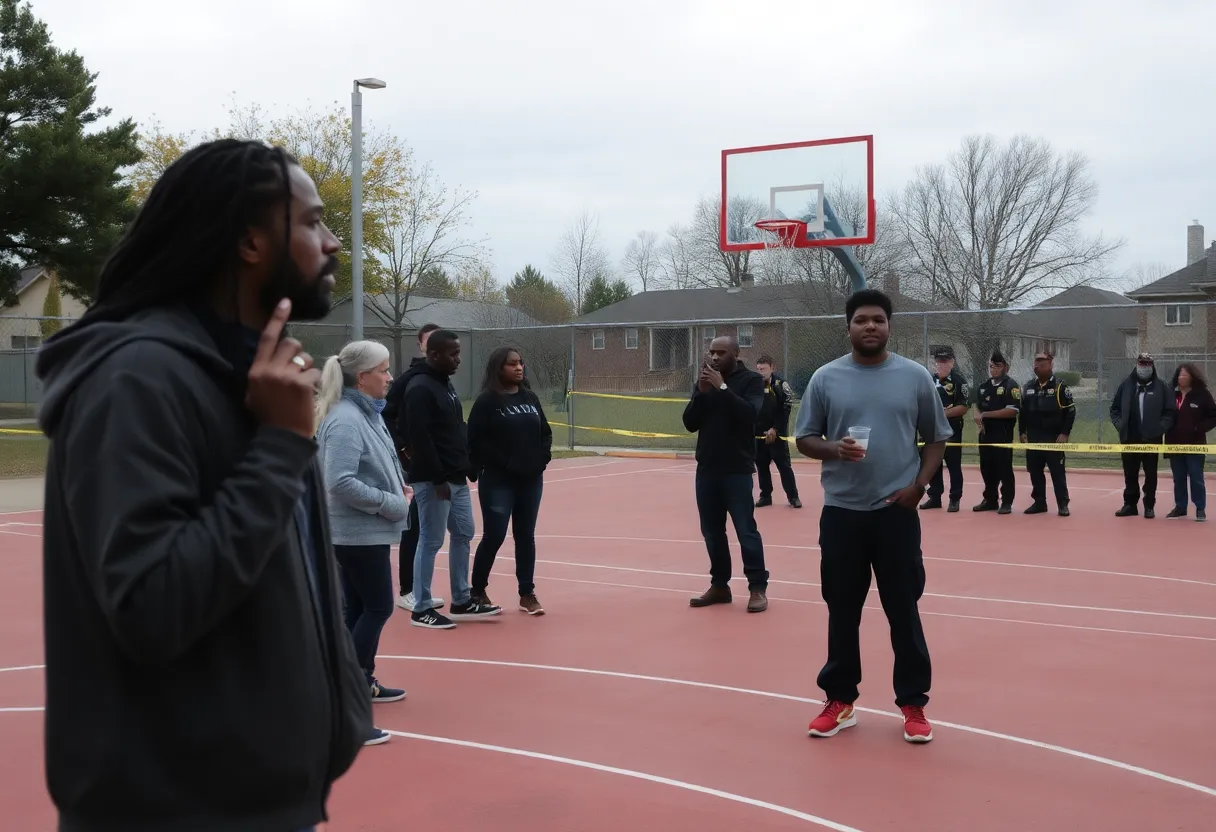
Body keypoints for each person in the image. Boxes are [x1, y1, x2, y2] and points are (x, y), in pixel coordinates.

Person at [33, 139, 371, 831]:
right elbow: (153, 604)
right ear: (251, 242)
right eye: (310, 222)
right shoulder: (137, 379)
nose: (333, 242)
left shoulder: (261, 379)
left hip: (261, 804)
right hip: (173, 811)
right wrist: (279, 446)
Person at [794, 289, 951, 745]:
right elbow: (804, 439)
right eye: (861, 319)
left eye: (878, 320)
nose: (870, 326)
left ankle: (913, 704)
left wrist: (918, 487)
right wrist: (833, 448)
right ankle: (840, 701)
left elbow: (937, 437)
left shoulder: (915, 377)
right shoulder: (825, 379)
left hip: (895, 514)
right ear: (848, 327)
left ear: (889, 326)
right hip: (842, 513)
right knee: (842, 609)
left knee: (903, 608)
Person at [315, 339, 412, 744]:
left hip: (362, 531)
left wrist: (395, 487)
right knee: (377, 606)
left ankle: (361, 682)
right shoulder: (346, 420)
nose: (391, 377)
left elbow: (374, 465)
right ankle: (346, 700)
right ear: (362, 377)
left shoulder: (365, 413)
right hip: (354, 534)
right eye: (384, 370)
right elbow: (338, 482)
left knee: (358, 607)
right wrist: (391, 502)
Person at [403, 328, 502, 628]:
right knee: (431, 541)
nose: (458, 359)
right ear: (433, 355)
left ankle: (461, 600)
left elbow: (454, 431)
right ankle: (421, 608)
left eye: (459, 353)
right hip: (435, 480)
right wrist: (437, 478)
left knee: (464, 533)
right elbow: (419, 438)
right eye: (453, 354)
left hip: (456, 477)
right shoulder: (420, 388)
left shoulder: (444, 384)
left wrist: (467, 465)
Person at [681, 335, 770, 613]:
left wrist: (722, 388)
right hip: (707, 470)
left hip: (737, 470)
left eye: (721, 352)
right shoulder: (706, 381)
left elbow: (749, 415)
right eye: (711, 352)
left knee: (746, 530)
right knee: (712, 532)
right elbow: (689, 423)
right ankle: (720, 585)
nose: (715, 357)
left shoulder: (751, 381)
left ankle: (757, 587)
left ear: (735, 353)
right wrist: (702, 392)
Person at [467, 346, 553, 615]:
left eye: (520, 363)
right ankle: (478, 590)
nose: (519, 368)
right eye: (511, 364)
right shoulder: (486, 401)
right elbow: (474, 443)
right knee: (494, 536)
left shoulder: (530, 397)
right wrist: (504, 463)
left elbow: (545, 433)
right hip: (498, 481)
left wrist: (542, 458)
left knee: (525, 536)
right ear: (498, 368)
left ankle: (527, 593)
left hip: (530, 480)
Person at [382, 322, 444, 613]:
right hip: (413, 465)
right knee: (414, 525)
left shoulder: (442, 379)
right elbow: (387, 415)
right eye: (429, 341)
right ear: (420, 345)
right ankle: (407, 589)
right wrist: (404, 448)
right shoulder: (409, 379)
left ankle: (421, 590)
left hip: (438, 464)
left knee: (431, 529)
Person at [1110, 353, 1176, 518]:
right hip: (1129, 438)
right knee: (1130, 473)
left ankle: (1149, 506)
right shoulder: (1126, 385)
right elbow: (1115, 409)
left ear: (1152, 366)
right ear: (1137, 364)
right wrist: (1121, 425)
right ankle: (1130, 504)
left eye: (1148, 364)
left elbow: (1169, 412)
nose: (1144, 367)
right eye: (1142, 363)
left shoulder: (1162, 387)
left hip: (1151, 439)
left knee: (1150, 474)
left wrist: (1160, 428)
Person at [1017, 350, 1075, 516]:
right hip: (1034, 438)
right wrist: (1022, 432)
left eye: (1042, 364)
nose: (1038, 367)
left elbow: (1070, 411)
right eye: (1036, 364)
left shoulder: (1060, 387)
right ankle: (1039, 502)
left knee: (1057, 473)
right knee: (1034, 472)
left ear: (1050, 365)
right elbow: (1023, 413)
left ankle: (1063, 504)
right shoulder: (1027, 387)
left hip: (1053, 438)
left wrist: (1064, 433)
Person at [1164, 362, 1216, 521]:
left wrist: (1199, 428)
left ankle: (1200, 508)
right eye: (1179, 374)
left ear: (1192, 376)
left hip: (1195, 444)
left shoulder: (1202, 394)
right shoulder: (1171, 394)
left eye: (1185, 374)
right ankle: (1180, 506)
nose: (1181, 377)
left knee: (1196, 476)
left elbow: (1213, 416)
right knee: (1178, 477)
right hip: (1174, 444)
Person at [920, 346, 969, 512]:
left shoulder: (959, 381)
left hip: (951, 429)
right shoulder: (928, 379)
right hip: (931, 429)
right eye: (939, 361)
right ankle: (935, 496)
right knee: (932, 463)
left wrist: (940, 413)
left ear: (952, 362)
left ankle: (954, 498)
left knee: (953, 464)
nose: (942, 364)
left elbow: (963, 407)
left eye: (946, 360)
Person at [973, 350, 1020, 514]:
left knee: (1004, 468)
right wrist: (977, 414)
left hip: (1002, 434)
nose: (993, 369)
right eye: (991, 366)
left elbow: (1012, 411)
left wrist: (986, 414)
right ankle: (990, 499)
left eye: (997, 366)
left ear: (1005, 367)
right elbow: (977, 406)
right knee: (986, 467)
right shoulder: (983, 387)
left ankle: (1006, 501)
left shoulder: (1011, 386)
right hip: (985, 434)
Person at [753, 355, 801, 509]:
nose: (761, 372)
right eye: (759, 369)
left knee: (784, 466)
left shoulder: (781, 384)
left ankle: (793, 497)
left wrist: (776, 429)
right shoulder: (754, 385)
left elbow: (786, 409)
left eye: (764, 369)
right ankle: (765, 496)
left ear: (772, 367)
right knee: (761, 465)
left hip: (777, 434)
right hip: (759, 434)